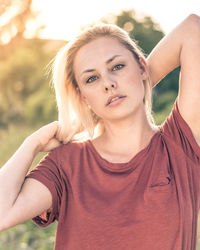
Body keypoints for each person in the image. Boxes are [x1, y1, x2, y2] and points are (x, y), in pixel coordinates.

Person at [0, 13, 200, 250]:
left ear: (142, 67)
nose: (108, 83)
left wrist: (138, 85)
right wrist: (32, 143)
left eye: (117, 66)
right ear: (82, 95)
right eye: (92, 78)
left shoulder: (180, 146)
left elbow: (192, 29)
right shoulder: (67, 164)